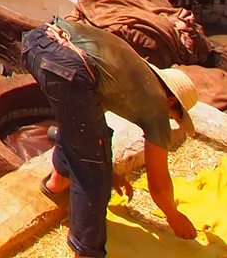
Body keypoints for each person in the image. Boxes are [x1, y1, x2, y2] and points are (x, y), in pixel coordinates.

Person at [22, 15, 198, 255]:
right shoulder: (158, 105)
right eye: (173, 116)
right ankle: (85, 251)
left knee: (84, 132)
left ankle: (56, 184)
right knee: (92, 173)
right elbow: (158, 184)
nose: (168, 120)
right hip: (68, 63)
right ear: (171, 101)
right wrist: (174, 217)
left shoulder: (132, 74)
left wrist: (110, 170)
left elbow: (82, 124)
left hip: (38, 40)